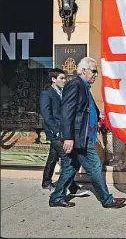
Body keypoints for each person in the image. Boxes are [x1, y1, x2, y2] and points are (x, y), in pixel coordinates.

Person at [49, 57, 126, 208]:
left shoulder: (84, 86)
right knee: (95, 166)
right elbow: (67, 113)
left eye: (97, 71)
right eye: (94, 71)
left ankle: (56, 197)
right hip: (78, 138)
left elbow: (86, 110)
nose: (96, 75)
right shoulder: (75, 85)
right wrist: (68, 138)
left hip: (83, 137)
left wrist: (97, 118)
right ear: (83, 71)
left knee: (70, 168)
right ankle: (107, 200)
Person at [40, 68, 90, 196]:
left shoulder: (63, 92)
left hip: (64, 132)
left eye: (65, 78)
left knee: (53, 157)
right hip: (56, 133)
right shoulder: (47, 94)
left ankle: (46, 182)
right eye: (61, 78)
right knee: (67, 158)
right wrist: (57, 132)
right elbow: (47, 116)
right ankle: (70, 187)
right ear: (53, 79)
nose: (64, 80)